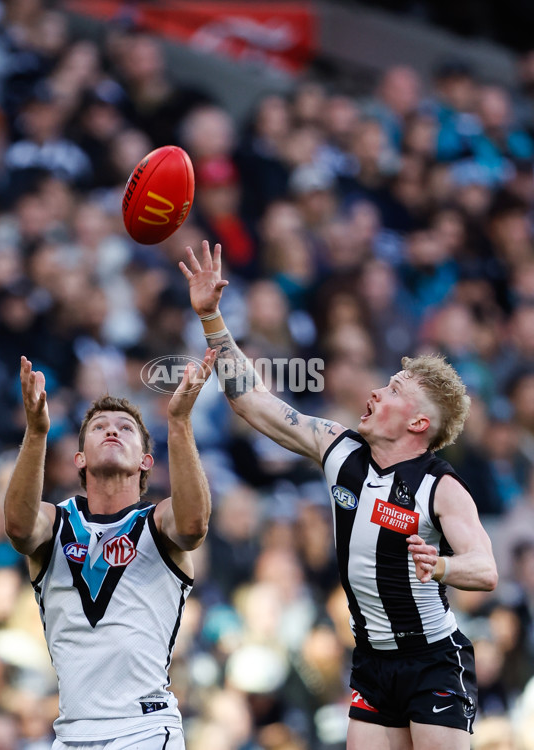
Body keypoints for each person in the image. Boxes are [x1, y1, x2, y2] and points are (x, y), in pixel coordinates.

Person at [180, 241, 498, 750]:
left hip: (433, 659)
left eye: (393, 390)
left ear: (419, 423)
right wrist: (213, 319)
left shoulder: (442, 487)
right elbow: (253, 403)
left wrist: (439, 567)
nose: (375, 392)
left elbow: (484, 570)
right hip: (372, 660)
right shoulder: (338, 448)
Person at [4, 351, 216, 750]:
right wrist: (36, 433)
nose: (112, 430)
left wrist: (179, 422)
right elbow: (17, 528)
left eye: (126, 428)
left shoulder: (158, 523)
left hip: (145, 730)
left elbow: (193, 526)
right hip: (70, 734)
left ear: (145, 461)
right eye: (99, 426)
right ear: (79, 458)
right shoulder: (56, 522)